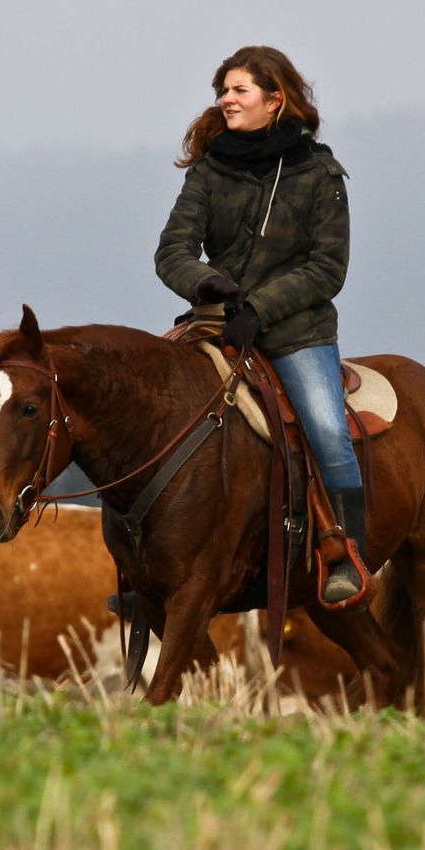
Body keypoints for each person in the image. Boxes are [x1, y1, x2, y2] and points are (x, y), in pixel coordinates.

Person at [154, 46, 367, 605]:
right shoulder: (209, 169)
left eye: (239, 90)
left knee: (326, 432)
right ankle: (149, 573)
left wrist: (259, 309)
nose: (226, 99)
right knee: (149, 414)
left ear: (275, 101)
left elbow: (327, 267)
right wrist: (206, 285)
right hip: (215, 327)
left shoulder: (321, 173)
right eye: (223, 90)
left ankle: (345, 559)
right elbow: (172, 250)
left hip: (297, 333)